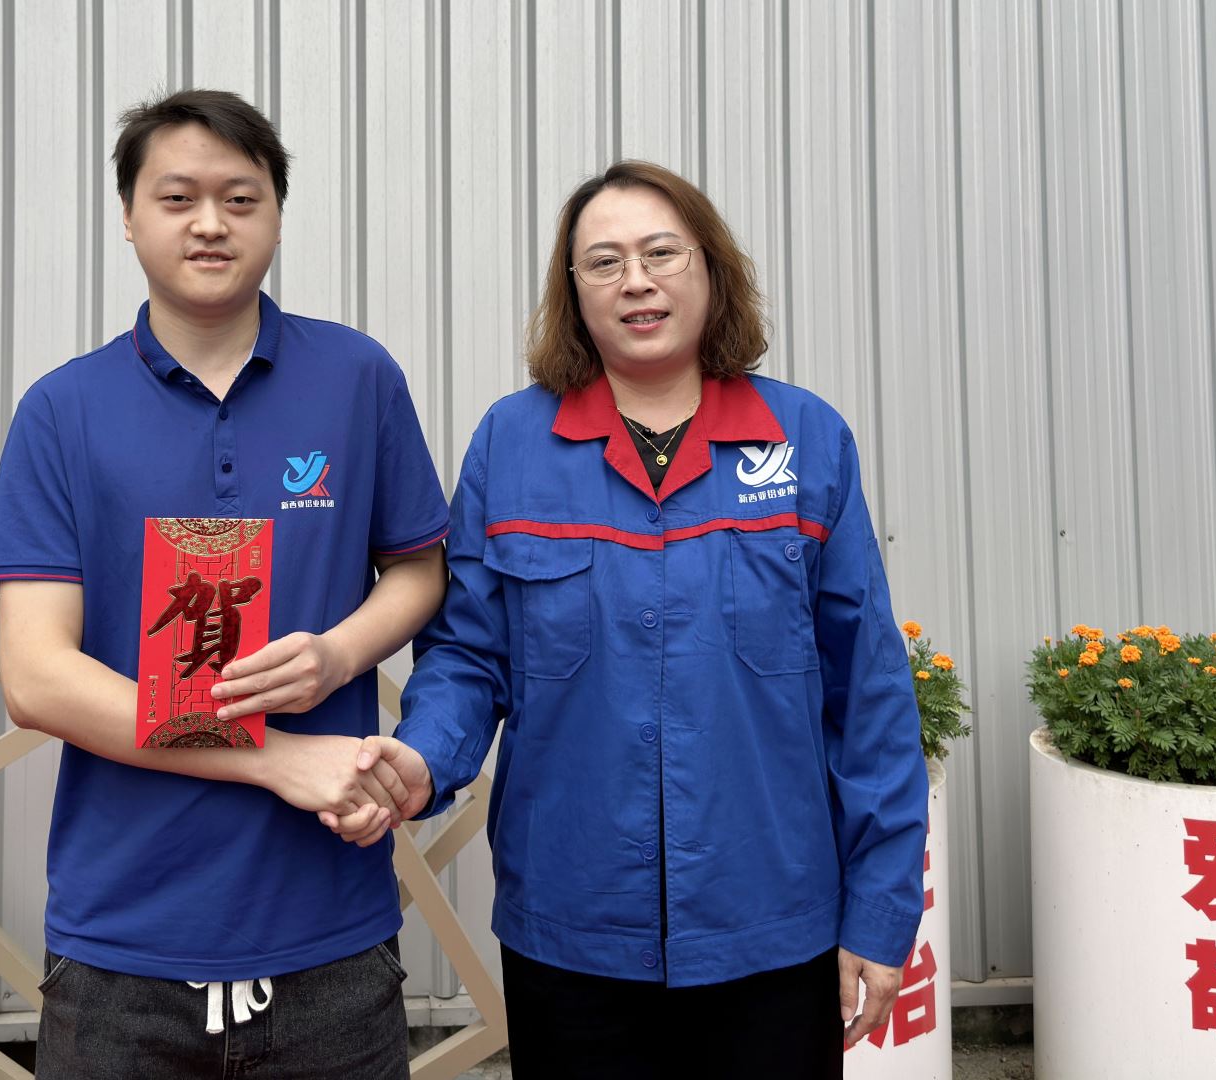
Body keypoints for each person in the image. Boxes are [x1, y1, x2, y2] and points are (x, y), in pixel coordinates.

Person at [337, 160, 928, 1077]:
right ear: (573, 291)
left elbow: (870, 693)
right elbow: (468, 655)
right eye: (604, 262)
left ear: (711, 269)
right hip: (571, 928)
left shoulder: (806, 440)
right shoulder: (512, 444)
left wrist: (881, 913)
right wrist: (423, 758)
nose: (636, 282)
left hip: (771, 925)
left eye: (661, 254)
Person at [0, 89, 447, 1079]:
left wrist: (337, 656)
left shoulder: (357, 378)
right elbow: (38, 679)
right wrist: (275, 758)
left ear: (276, 213)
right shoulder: (63, 410)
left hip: (330, 929)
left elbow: (417, 570)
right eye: (178, 197)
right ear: (129, 216)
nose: (209, 223)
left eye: (240, 198)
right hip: (123, 945)